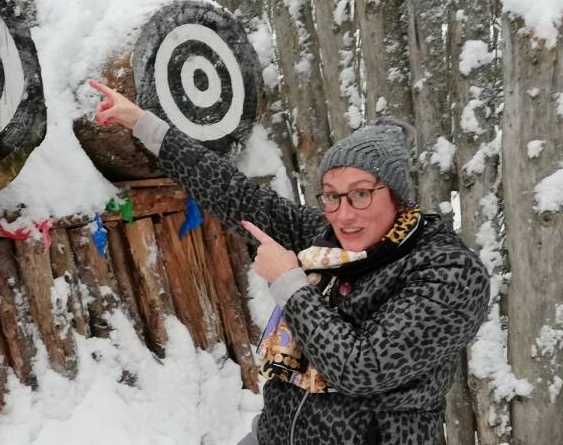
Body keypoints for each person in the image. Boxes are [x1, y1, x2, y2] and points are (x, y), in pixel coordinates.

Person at [89, 79, 491, 445]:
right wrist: (142, 122)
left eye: (361, 194)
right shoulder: (324, 241)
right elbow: (235, 194)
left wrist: (289, 283)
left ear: (398, 195)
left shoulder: (448, 272)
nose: (343, 214)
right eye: (331, 196)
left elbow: (361, 368)